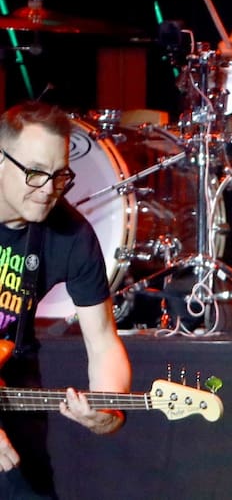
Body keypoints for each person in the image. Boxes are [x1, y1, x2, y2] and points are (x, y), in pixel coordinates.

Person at [0, 102, 132, 496]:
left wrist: (108, 411)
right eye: (35, 173)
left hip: (12, 383)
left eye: (59, 176)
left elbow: (103, 341)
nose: (48, 190)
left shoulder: (72, 234)